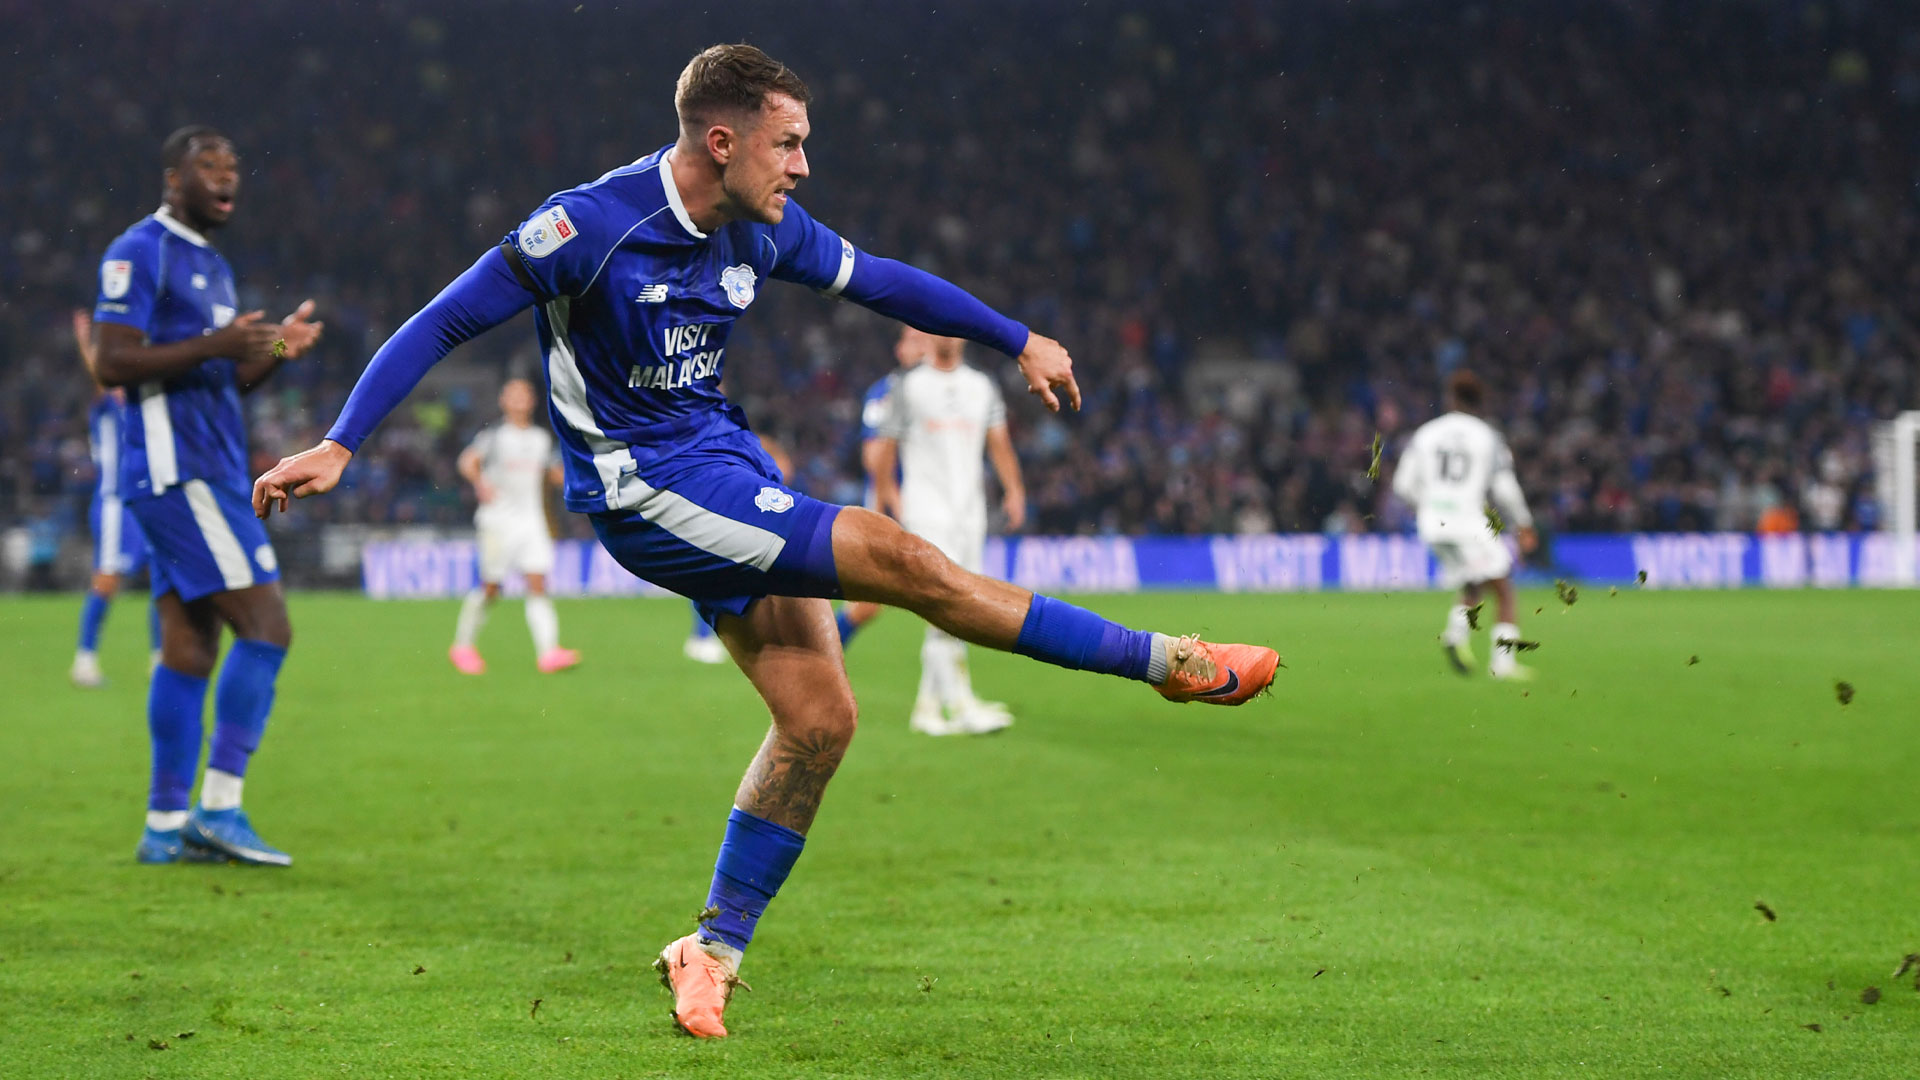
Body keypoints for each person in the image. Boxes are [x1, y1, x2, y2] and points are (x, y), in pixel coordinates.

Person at [252, 44, 1278, 1038]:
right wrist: (343, 442)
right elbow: (439, 321)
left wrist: (1015, 338)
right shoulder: (587, 226)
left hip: (726, 464)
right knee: (906, 559)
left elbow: (880, 279)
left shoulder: (766, 225)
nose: (803, 166)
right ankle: (1165, 663)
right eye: (788, 144)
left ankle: (713, 954)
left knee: (821, 720)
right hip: (642, 490)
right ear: (722, 140)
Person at [91, 126, 323, 865]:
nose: (226, 178)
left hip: (206, 467)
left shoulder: (213, 266)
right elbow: (111, 361)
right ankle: (220, 808)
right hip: (179, 470)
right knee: (268, 626)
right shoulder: (140, 251)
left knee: (189, 649)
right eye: (208, 167)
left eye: (232, 168)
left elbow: (226, 375)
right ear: (173, 179)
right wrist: (217, 344)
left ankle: (163, 828)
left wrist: (278, 347)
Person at [871, 331, 1024, 734]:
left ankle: (927, 708)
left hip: (969, 513)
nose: (947, 336)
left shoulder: (980, 386)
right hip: (927, 511)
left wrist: (1014, 490)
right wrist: (888, 494)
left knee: (958, 606)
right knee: (948, 606)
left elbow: (999, 444)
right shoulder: (910, 386)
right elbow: (885, 446)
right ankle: (960, 703)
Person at [1392, 369, 1539, 680]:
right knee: (1503, 587)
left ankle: (1456, 633)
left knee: (1475, 581)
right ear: (1480, 401)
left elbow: (1402, 485)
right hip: (1468, 521)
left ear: (1451, 398)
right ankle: (1501, 663)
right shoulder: (1488, 436)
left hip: (1432, 523)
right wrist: (1523, 523)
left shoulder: (1426, 433)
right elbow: (1504, 488)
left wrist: (1430, 504)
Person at [450, 377, 580, 674]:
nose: (521, 398)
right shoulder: (495, 436)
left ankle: (549, 653)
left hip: (532, 521)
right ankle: (462, 646)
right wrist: (480, 482)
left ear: (533, 400)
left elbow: (553, 475)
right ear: (503, 401)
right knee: (492, 587)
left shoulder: (541, 438)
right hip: (498, 521)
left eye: (526, 393)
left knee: (537, 583)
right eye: (514, 394)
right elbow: (466, 461)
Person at [70, 309, 161, 688]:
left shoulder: (139, 406)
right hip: (115, 505)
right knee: (107, 582)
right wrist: (87, 344)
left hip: (147, 501)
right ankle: (84, 660)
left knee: (163, 578)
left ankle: (161, 659)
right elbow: (101, 375)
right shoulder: (108, 405)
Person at [831, 325, 928, 647]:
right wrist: (896, 504)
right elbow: (873, 457)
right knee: (867, 605)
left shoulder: (942, 390)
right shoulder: (885, 393)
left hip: (934, 499)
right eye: (911, 340)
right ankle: (816, 649)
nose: (918, 347)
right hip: (889, 504)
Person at [685, 431, 793, 664]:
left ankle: (710, 638)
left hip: (733, 522)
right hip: (729, 524)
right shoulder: (750, 449)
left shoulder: (739, 445)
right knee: (714, 579)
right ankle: (703, 638)